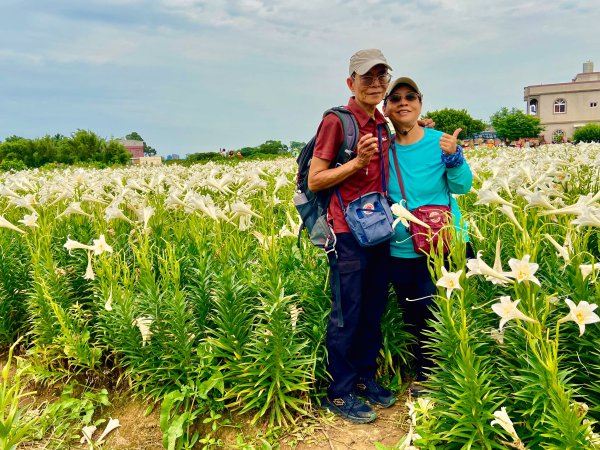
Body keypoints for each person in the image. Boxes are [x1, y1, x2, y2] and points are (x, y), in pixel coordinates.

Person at [307, 49, 396, 424]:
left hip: (378, 229)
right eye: (366, 77)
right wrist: (356, 163)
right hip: (345, 234)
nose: (375, 84)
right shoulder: (336, 122)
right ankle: (339, 392)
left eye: (381, 77)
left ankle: (365, 378)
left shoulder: (382, 122)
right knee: (348, 314)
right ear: (350, 83)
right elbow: (315, 179)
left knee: (374, 310)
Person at [382, 77, 473, 396]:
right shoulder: (384, 150)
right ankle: (425, 372)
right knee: (414, 312)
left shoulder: (441, 141)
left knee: (446, 307)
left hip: (448, 241)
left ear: (420, 103)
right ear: (387, 109)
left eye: (411, 96)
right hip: (404, 247)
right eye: (396, 99)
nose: (404, 102)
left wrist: (455, 159)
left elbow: (462, 187)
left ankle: (452, 370)